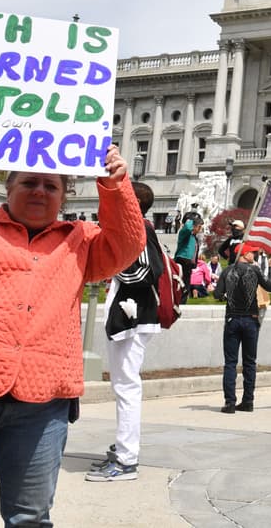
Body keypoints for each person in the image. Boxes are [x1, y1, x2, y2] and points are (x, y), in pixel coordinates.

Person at [0, 145, 145, 527]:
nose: (39, 191)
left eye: (51, 186)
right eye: (29, 182)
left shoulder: (81, 239)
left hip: (41, 402)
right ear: (8, 185)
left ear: (65, 195)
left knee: (30, 518)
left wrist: (115, 186)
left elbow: (127, 246)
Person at [87, 181, 165, 482]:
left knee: (127, 387)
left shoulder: (140, 230)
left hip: (134, 318)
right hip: (130, 316)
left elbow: (149, 271)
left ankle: (126, 458)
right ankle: (123, 448)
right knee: (124, 385)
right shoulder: (136, 228)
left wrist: (111, 264)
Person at [214, 241, 271, 412]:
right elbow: (270, 286)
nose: (254, 255)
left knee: (230, 363)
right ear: (244, 253)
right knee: (250, 362)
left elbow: (217, 294)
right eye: (252, 253)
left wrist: (226, 294)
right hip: (251, 319)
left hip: (232, 319)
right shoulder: (254, 270)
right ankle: (248, 401)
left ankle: (230, 403)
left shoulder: (227, 271)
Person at [174, 215, 199, 301]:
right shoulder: (184, 233)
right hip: (182, 260)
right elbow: (187, 228)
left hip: (188, 263)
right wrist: (192, 219)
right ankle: (179, 302)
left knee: (186, 285)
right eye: (198, 226)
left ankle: (183, 302)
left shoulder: (194, 237)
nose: (200, 229)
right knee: (181, 284)